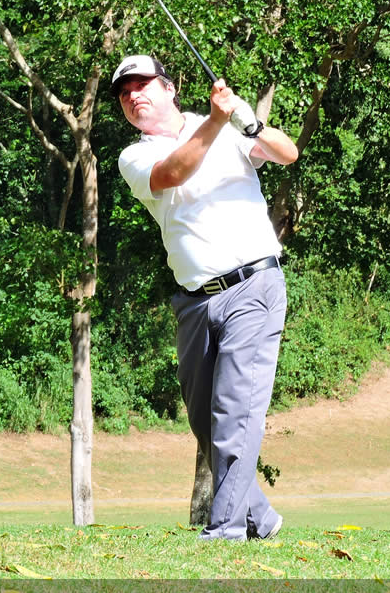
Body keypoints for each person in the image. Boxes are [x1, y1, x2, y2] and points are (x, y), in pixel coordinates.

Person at [112, 55, 299, 541]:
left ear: (170, 88)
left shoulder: (226, 127)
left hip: (252, 286)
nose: (133, 96)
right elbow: (173, 173)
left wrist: (248, 122)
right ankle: (262, 519)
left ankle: (226, 531)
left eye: (142, 85)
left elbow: (287, 153)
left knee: (234, 413)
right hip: (195, 303)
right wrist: (217, 121)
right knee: (205, 423)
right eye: (125, 93)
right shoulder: (134, 156)